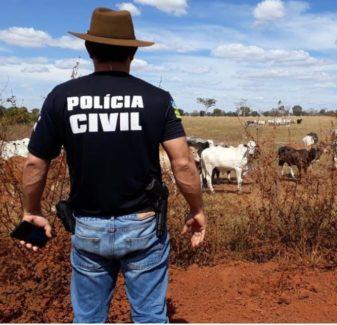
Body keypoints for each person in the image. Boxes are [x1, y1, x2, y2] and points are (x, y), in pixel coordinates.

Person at [18, 7, 206, 323]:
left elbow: (35, 163)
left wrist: (31, 211)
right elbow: (184, 163)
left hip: (88, 228)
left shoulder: (61, 97)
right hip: (144, 226)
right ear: (132, 52)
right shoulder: (157, 99)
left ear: (89, 49)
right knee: (149, 317)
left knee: (89, 318)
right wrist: (196, 209)